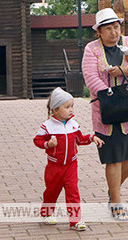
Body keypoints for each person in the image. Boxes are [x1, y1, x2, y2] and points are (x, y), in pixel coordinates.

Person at [82, 8, 128, 221]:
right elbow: (91, 79)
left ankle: (113, 193)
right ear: (99, 32)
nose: (114, 32)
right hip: (107, 112)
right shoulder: (91, 49)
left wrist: (124, 71)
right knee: (113, 159)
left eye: (116, 27)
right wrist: (110, 95)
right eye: (108, 28)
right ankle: (116, 202)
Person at [34, 87, 104, 231]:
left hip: (71, 165)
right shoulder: (47, 126)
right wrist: (48, 144)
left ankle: (75, 221)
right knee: (51, 191)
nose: (71, 110)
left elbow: (80, 139)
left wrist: (92, 138)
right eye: (67, 107)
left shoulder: (73, 125)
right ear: (55, 110)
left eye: (72, 106)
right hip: (54, 167)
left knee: (73, 192)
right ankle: (46, 214)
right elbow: (37, 140)